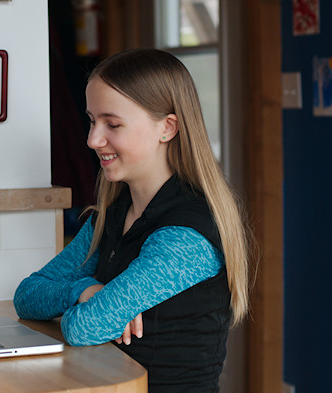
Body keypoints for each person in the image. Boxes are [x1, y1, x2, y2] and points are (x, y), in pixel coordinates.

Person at [13, 48, 250, 392]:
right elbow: (27, 295)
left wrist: (88, 301)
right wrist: (85, 288)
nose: (93, 139)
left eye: (112, 124)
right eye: (92, 121)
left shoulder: (186, 234)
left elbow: (85, 327)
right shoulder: (113, 214)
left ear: (167, 128)